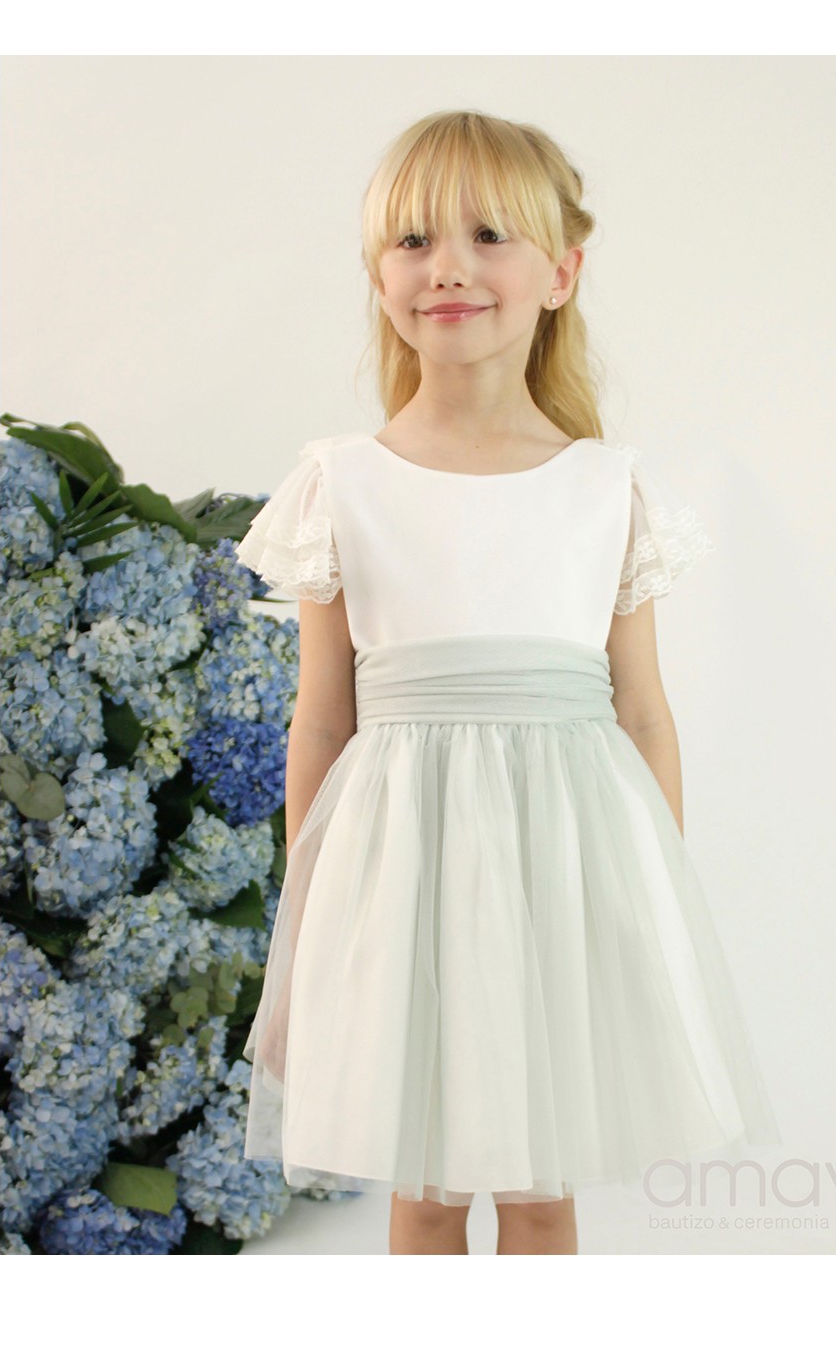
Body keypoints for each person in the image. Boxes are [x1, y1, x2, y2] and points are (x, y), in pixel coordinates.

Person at [234, 109, 781, 1255]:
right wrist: (309, 918)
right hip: (401, 876)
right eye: (413, 240)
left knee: (538, 1189)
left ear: (560, 272)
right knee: (427, 1188)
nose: (446, 268)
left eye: (488, 236)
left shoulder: (604, 488)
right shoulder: (341, 482)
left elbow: (642, 712)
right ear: (378, 275)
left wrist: (651, 911)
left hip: (560, 878)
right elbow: (321, 720)